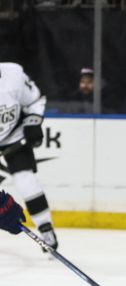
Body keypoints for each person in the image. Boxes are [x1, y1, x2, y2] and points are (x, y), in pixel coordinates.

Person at [0, 62, 58, 249]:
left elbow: (35, 100)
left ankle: (46, 228)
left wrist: (33, 123)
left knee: (25, 179)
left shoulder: (13, 74)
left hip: (13, 135)